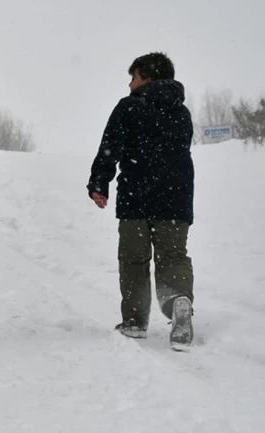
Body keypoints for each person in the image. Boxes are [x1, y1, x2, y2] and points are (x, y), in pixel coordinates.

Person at [87, 52, 195, 350]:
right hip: (176, 198)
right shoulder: (181, 111)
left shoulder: (130, 106)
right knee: (173, 256)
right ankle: (179, 303)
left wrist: (99, 183)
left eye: (133, 77)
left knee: (134, 259)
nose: (130, 84)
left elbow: (111, 147)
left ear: (148, 76)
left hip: (137, 196)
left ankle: (134, 321)